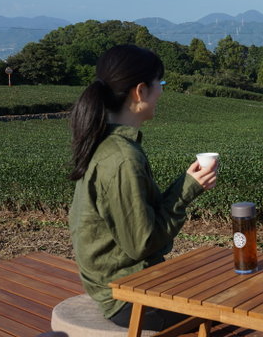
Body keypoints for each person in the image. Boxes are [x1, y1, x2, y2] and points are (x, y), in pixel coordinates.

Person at [68, 44, 217, 330]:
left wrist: (187, 184)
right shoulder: (122, 157)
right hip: (128, 296)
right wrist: (186, 191)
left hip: (118, 284)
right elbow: (142, 243)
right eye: (160, 83)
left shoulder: (107, 143)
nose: (161, 91)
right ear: (140, 91)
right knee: (229, 296)